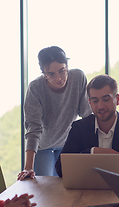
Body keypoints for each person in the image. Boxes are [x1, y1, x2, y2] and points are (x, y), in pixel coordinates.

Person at [55, 75, 119, 179]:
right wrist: (93, 152)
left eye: (106, 99)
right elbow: (61, 168)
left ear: (117, 99)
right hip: (87, 190)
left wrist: (100, 168)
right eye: (95, 101)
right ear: (90, 103)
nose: (100, 106)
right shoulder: (79, 128)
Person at [18, 46, 92, 180]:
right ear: (43, 74)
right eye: (51, 74)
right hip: (43, 146)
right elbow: (33, 127)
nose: (58, 78)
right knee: (45, 188)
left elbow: (87, 114)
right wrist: (28, 167)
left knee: (68, 185)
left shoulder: (78, 78)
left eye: (62, 71)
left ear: (67, 66)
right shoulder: (35, 88)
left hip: (68, 144)